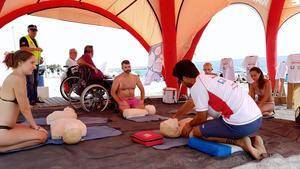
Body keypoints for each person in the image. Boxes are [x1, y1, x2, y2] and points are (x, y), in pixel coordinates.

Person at [172, 60, 267, 160]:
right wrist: (175, 117)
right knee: (212, 120)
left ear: (185, 78)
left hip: (241, 125)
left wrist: (189, 124)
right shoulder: (207, 77)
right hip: (257, 120)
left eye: (180, 80)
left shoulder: (197, 86)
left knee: (196, 132)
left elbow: (201, 118)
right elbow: (192, 102)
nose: (181, 83)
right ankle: (254, 140)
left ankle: (239, 142)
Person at [0, 50, 48, 152]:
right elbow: (25, 108)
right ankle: (3, 149)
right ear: (20, 63)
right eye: (31, 62)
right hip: (2, 131)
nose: (35, 66)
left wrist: (33, 126)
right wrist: (35, 126)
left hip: (7, 127)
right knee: (42, 136)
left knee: (33, 130)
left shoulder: (17, 76)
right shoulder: (17, 78)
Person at [19, 24, 44, 105]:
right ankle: (30, 99)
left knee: (35, 82)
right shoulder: (24, 38)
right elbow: (23, 48)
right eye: (32, 30)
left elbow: (35, 52)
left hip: (35, 64)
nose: (34, 32)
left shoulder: (35, 41)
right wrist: (36, 49)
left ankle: (34, 98)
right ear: (28, 31)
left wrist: (40, 58)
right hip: (28, 64)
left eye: (35, 30)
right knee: (30, 82)